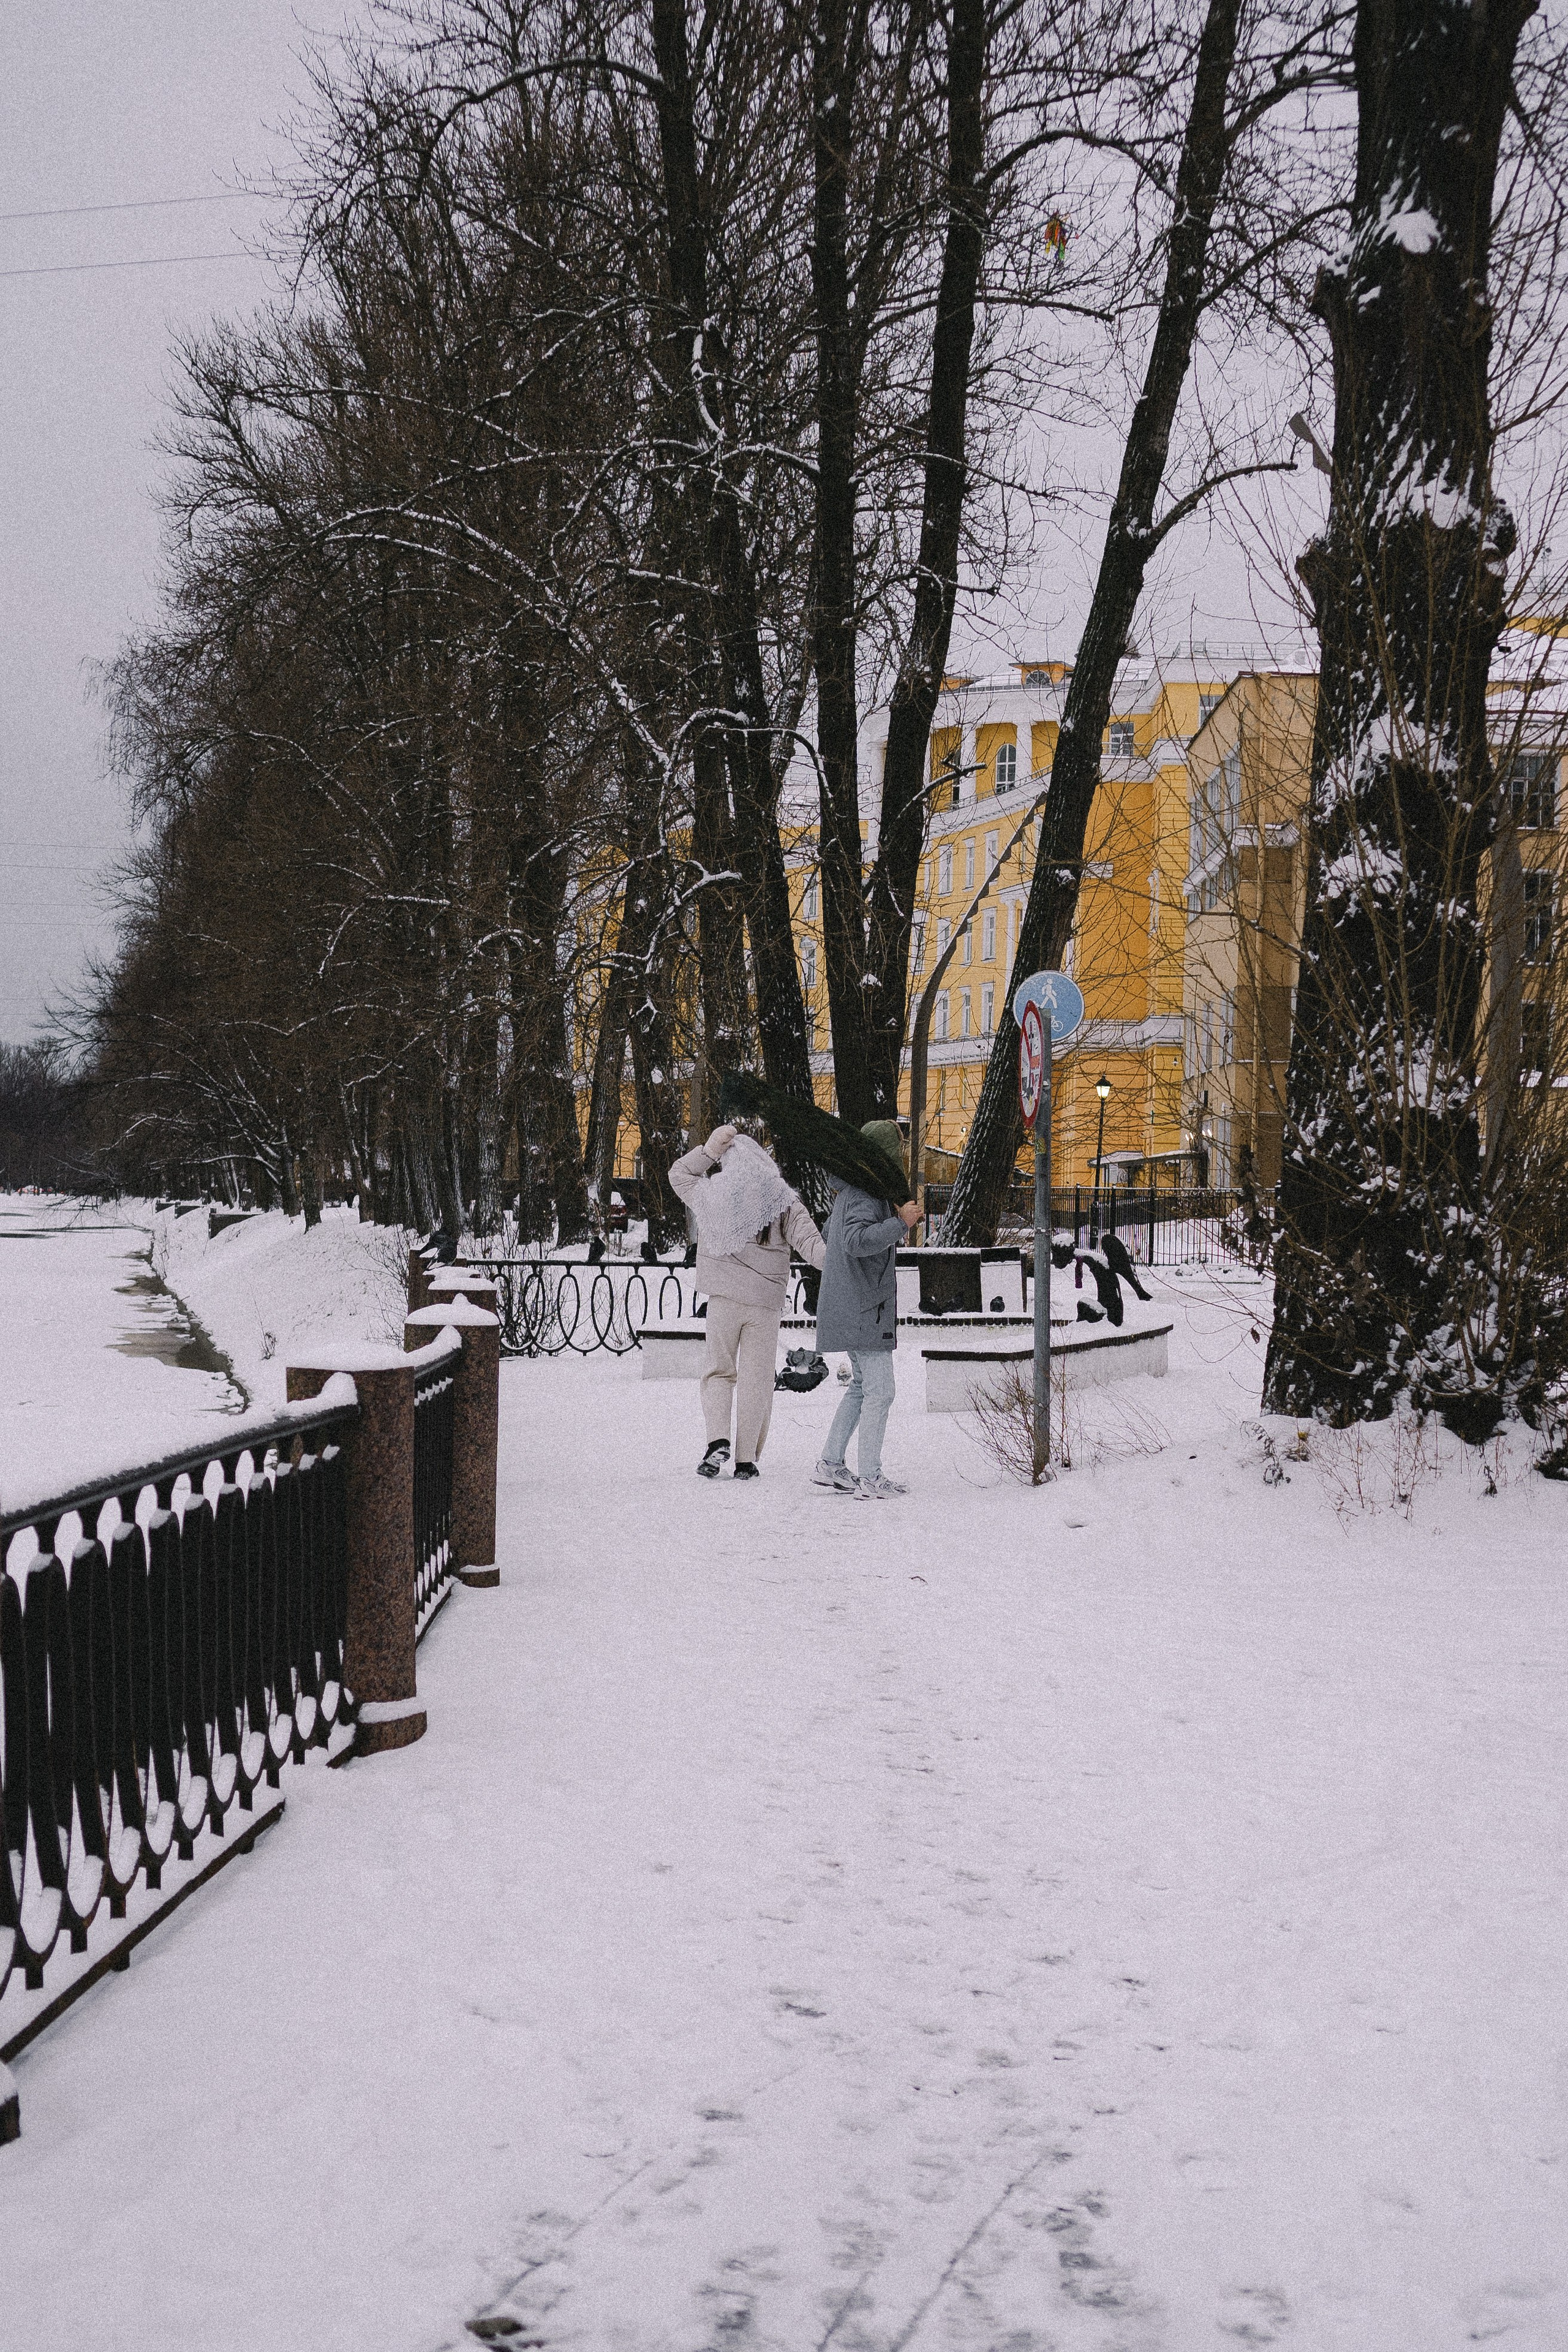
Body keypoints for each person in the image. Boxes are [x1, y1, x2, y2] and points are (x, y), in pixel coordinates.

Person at [669, 1123, 826, 1480]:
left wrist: (709, 1152)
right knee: (757, 1379)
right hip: (765, 1306)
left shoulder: (714, 1194)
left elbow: (678, 1174)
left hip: (724, 1301)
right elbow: (816, 1249)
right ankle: (745, 1460)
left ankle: (717, 1442)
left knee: (719, 1372)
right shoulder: (784, 1201)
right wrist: (850, 1259)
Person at [812, 1120, 922, 1499]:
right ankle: (871, 1478)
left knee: (862, 1388)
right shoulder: (864, 1192)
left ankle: (830, 1464)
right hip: (864, 1307)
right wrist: (899, 1223)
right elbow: (855, 1240)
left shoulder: (853, 1191)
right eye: (899, 1154)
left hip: (855, 1303)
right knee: (881, 1391)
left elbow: (831, 1234)